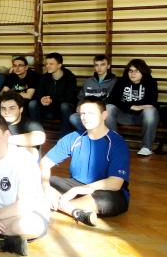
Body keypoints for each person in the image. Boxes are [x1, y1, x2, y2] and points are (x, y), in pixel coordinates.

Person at [0, 114, 50, 256]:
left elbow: (25, 205)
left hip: (26, 212)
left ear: (6, 135)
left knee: (27, 226)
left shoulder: (23, 158)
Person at [41, 97, 131, 226]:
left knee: (109, 200)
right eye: (82, 113)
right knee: (40, 180)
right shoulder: (74, 137)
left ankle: (52, 205)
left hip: (103, 190)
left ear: (104, 115)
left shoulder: (117, 142)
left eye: (91, 113)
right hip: (75, 185)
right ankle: (72, 210)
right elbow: (44, 163)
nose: (85, 117)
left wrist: (79, 190)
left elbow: (115, 183)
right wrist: (46, 187)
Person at [105, 58, 160, 156]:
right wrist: (131, 106)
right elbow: (112, 100)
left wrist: (127, 104)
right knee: (108, 108)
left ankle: (146, 147)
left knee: (150, 111)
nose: (133, 74)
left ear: (143, 72)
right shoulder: (121, 82)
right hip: (124, 116)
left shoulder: (151, 82)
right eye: (130, 71)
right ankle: (115, 145)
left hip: (143, 117)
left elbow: (151, 102)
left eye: (136, 71)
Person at [29, 52, 77, 136]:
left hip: (62, 110)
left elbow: (70, 97)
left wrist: (52, 100)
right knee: (32, 104)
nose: (47, 66)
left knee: (65, 106)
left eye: (51, 64)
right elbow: (38, 94)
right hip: (48, 108)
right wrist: (41, 99)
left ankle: (64, 137)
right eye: (46, 64)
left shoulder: (70, 77)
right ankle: (37, 134)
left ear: (59, 65)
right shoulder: (44, 77)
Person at [69, 54, 117, 131]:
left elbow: (112, 101)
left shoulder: (115, 82)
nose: (99, 68)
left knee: (109, 109)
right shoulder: (88, 81)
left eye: (102, 65)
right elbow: (81, 98)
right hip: (88, 112)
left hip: (102, 113)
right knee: (73, 117)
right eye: (96, 65)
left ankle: (111, 137)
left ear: (108, 66)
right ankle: (91, 135)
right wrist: (79, 106)